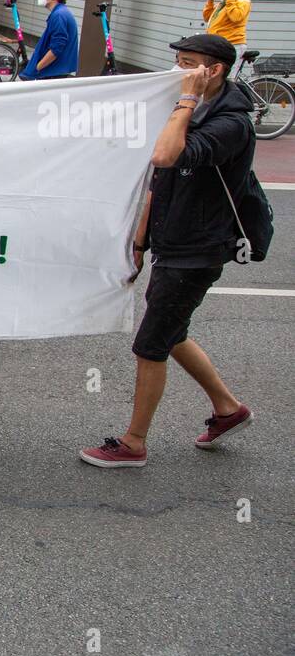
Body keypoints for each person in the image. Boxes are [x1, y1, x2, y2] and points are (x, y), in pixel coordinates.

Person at [81, 34, 254, 468]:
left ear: (212, 70)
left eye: (187, 64)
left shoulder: (230, 122)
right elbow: (160, 186)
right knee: (172, 333)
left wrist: (186, 100)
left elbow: (164, 156)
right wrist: (139, 241)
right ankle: (228, 409)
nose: (176, 72)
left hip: (198, 249)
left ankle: (133, 444)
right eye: (177, 62)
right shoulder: (193, 109)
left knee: (152, 344)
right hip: (171, 241)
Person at [19, 0, 78, 80]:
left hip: (52, 72)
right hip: (56, 71)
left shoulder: (58, 15)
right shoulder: (62, 12)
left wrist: (38, 67)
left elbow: (57, 48)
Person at [202, 0, 250, 74]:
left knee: (227, 77)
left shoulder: (242, 0)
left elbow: (236, 17)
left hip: (233, 44)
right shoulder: (223, 2)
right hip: (219, 44)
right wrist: (210, 1)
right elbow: (207, 18)